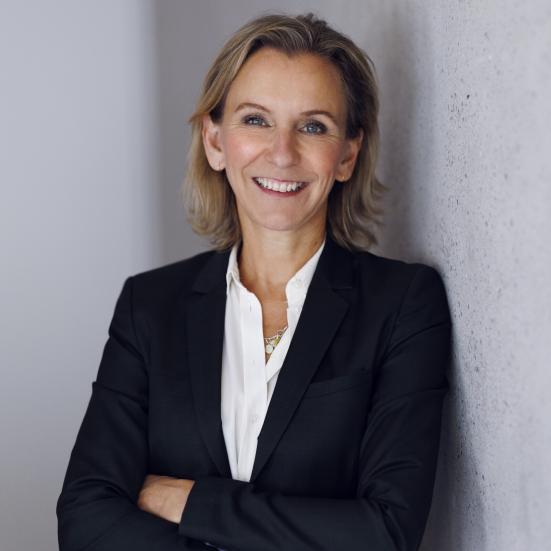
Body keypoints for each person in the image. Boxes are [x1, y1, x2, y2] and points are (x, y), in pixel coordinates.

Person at [56, 12, 452, 551]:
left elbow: (384, 532)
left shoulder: (403, 305)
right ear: (215, 141)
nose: (282, 152)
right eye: (256, 120)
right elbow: (85, 519)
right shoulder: (148, 307)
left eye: (313, 126)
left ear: (347, 155)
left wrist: (194, 503)